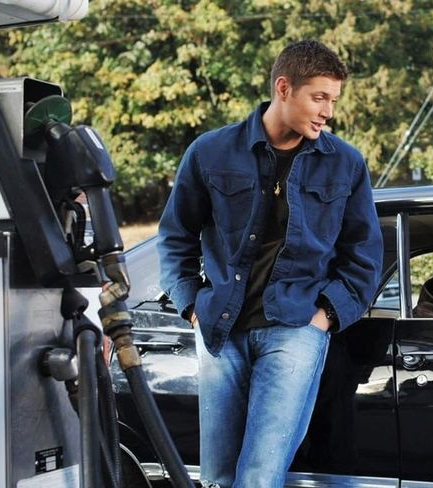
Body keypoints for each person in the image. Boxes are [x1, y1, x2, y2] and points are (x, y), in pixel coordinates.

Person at [157, 39, 383, 487]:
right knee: (218, 475)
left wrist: (326, 316)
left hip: (296, 327)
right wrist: (190, 306)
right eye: (319, 97)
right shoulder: (210, 152)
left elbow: (364, 256)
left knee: (261, 473)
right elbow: (175, 236)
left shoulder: (346, 165)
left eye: (333, 100)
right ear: (284, 88)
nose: (328, 112)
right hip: (221, 328)